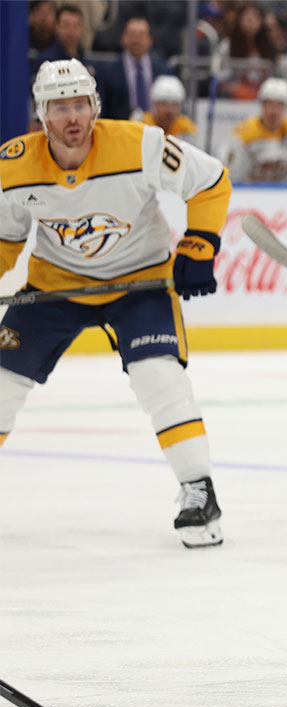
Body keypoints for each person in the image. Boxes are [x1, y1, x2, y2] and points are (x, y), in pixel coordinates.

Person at [0, 59, 231, 548]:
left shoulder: (140, 144)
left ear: (95, 107)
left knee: (159, 377)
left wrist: (200, 243)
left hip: (139, 282)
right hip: (54, 287)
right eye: (60, 106)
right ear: (41, 115)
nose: (73, 117)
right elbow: (5, 240)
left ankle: (198, 490)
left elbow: (210, 181)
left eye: (80, 103)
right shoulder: (13, 166)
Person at [94, 15, 175, 121]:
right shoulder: (107, 71)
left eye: (141, 35)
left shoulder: (164, 70)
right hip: (120, 130)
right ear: (123, 38)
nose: (136, 40)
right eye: (132, 34)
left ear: (150, 40)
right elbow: (102, 110)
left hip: (157, 130)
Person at [140, 75, 199, 146]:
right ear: (154, 104)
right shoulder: (140, 125)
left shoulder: (186, 129)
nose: (169, 110)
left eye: (175, 104)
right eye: (163, 104)